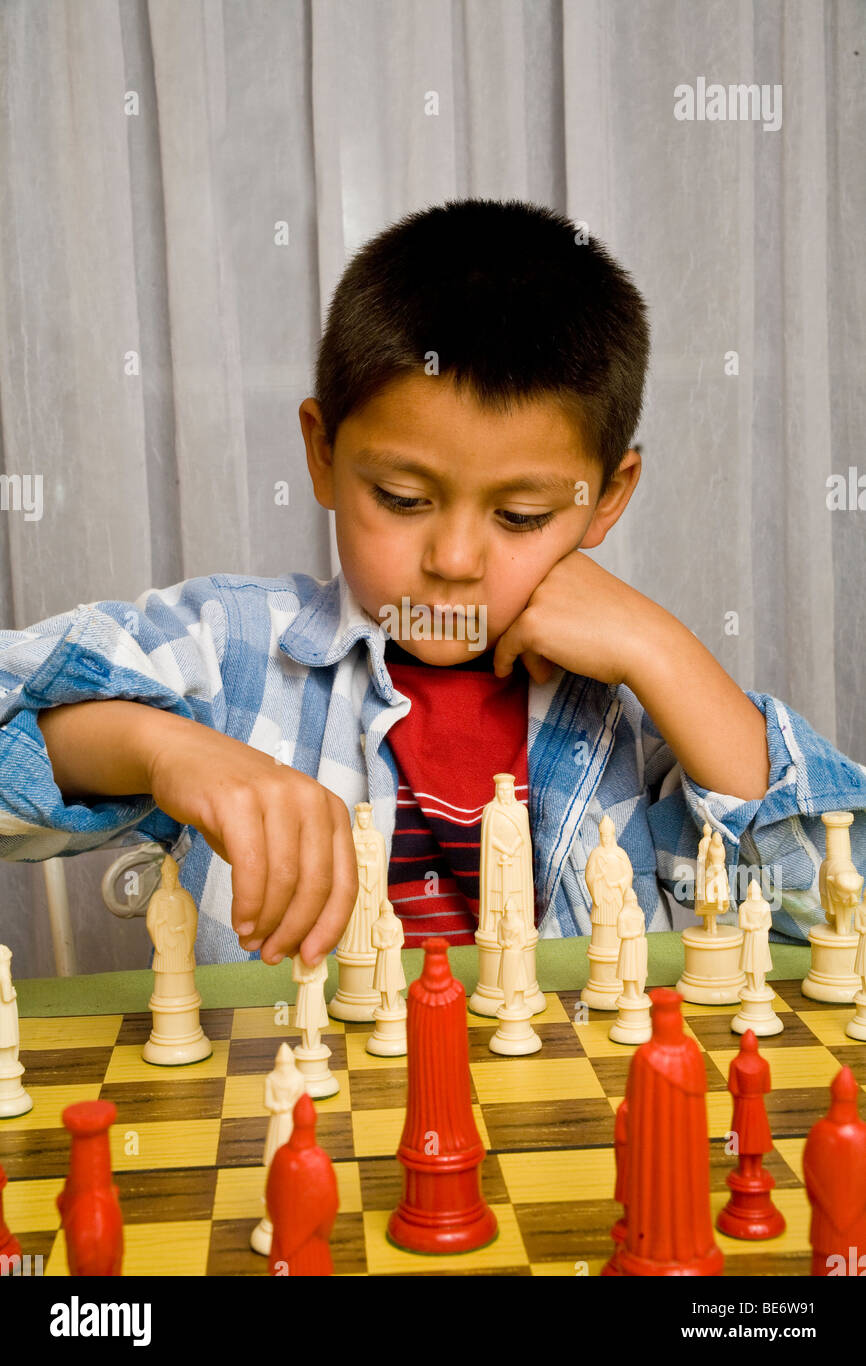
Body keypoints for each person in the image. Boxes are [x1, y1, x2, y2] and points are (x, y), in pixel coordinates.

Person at [1, 199, 864, 967]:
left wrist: (667, 654)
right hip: (312, 1127)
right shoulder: (227, 653)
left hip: (572, 1138)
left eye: (521, 517)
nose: (454, 558)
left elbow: (833, 908)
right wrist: (161, 750)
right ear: (323, 453)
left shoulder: (637, 720)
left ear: (606, 499)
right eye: (403, 498)